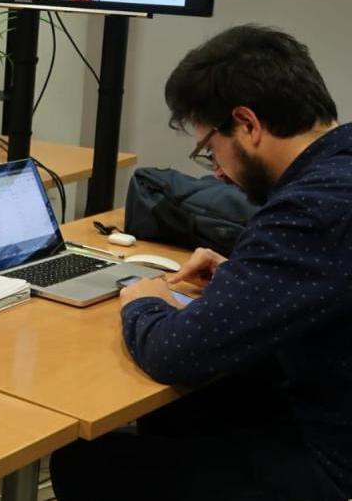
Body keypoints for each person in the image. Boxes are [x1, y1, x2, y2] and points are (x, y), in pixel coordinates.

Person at [50, 25, 351, 501]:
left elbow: (177, 354)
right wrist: (242, 277)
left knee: (84, 464)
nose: (215, 170)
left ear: (247, 124)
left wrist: (142, 300)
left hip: (333, 466)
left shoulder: (311, 208)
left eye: (210, 148)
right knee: (185, 412)